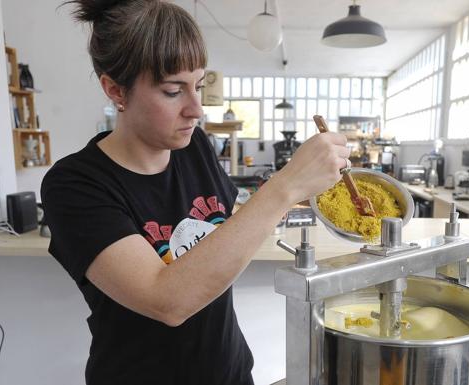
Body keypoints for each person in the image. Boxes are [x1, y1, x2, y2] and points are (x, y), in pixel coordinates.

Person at [41, 1, 350, 384]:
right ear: (115, 90)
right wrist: (284, 188)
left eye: (199, 86)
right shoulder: (75, 184)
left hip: (230, 373)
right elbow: (167, 300)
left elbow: (223, 228)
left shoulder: (195, 147)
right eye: (174, 91)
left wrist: (289, 200)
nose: (197, 109)